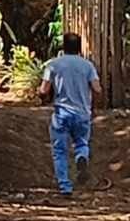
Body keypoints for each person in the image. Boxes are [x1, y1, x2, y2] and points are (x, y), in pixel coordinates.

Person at [39, 32, 102, 196]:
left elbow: (43, 89)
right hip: (82, 113)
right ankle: (81, 156)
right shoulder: (87, 66)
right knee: (82, 143)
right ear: (79, 48)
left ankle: (65, 187)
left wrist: (44, 96)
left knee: (59, 150)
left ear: (63, 47)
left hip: (61, 113)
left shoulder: (54, 65)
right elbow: (97, 88)